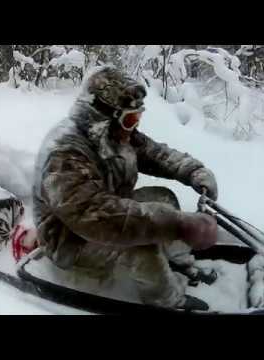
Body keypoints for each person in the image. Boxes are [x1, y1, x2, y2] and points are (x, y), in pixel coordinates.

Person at [32, 66, 219, 311]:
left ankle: (177, 263)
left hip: (105, 212)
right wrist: (179, 224)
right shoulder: (65, 155)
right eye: (130, 118)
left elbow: (155, 154)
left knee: (164, 198)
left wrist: (193, 171)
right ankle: (168, 301)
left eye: (137, 117)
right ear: (102, 116)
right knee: (141, 243)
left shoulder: (115, 134)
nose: (133, 126)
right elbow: (97, 217)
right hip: (69, 238)